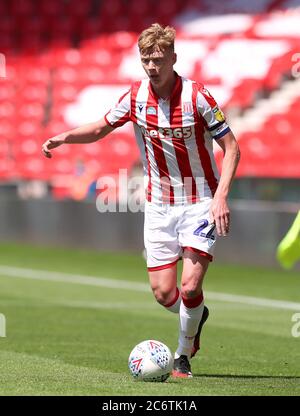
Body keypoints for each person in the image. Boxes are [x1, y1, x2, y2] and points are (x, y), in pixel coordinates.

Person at [42, 23, 240, 378]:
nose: (151, 66)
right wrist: (64, 137)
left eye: (158, 59)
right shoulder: (135, 98)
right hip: (159, 205)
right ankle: (195, 315)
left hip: (199, 202)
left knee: (191, 284)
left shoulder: (198, 96)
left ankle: (183, 353)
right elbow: (101, 127)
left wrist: (221, 196)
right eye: (146, 59)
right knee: (165, 294)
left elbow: (232, 147)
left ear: (173, 58)